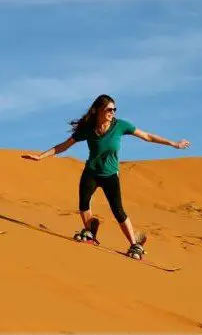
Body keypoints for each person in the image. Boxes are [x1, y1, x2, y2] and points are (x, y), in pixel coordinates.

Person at [22, 94, 190, 259]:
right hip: (92, 172)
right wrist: (40, 156)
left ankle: (134, 244)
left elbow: (147, 136)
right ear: (98, 110)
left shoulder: (120, 126)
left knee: (118, 211)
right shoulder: (88, 129)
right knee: (83, 204)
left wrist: (173, 144)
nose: (113, 112)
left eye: (114, 109)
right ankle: (90, 230)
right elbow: (63, 147)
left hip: (110, 175)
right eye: (109, 109)